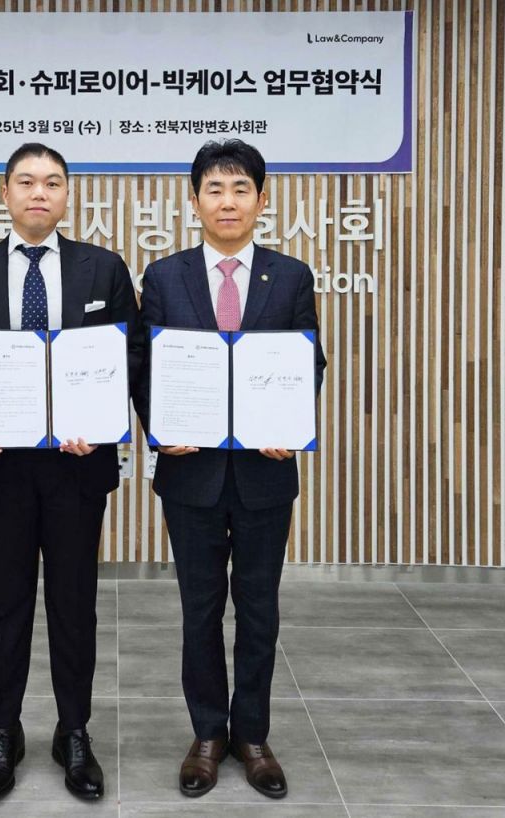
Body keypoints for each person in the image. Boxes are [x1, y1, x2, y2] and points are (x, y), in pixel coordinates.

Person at [0, 143, 141, 802]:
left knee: (75, 605)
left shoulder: (104, 269)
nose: (39, 192)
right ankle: (3, 732)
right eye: (26, 181)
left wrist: (102, 419)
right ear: (5, 193)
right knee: (6, 605)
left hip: (77, 467)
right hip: (1, 468)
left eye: (52, 182)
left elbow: (130, 355)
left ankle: (75, 732)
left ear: (67, 194)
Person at [133, 139, 326, 800]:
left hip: (265, 474)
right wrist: (160, 425)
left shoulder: (290, 276)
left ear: (261, 201)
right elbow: (145, 366)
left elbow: (308, 361)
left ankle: (253, 736)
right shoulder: (165, 277)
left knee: (260, 609)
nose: (227, 201)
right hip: (191, 474)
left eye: (241, 189)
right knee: (200, 609)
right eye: (214, 189)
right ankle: (208, 735)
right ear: (194, 202)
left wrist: (290, 424)